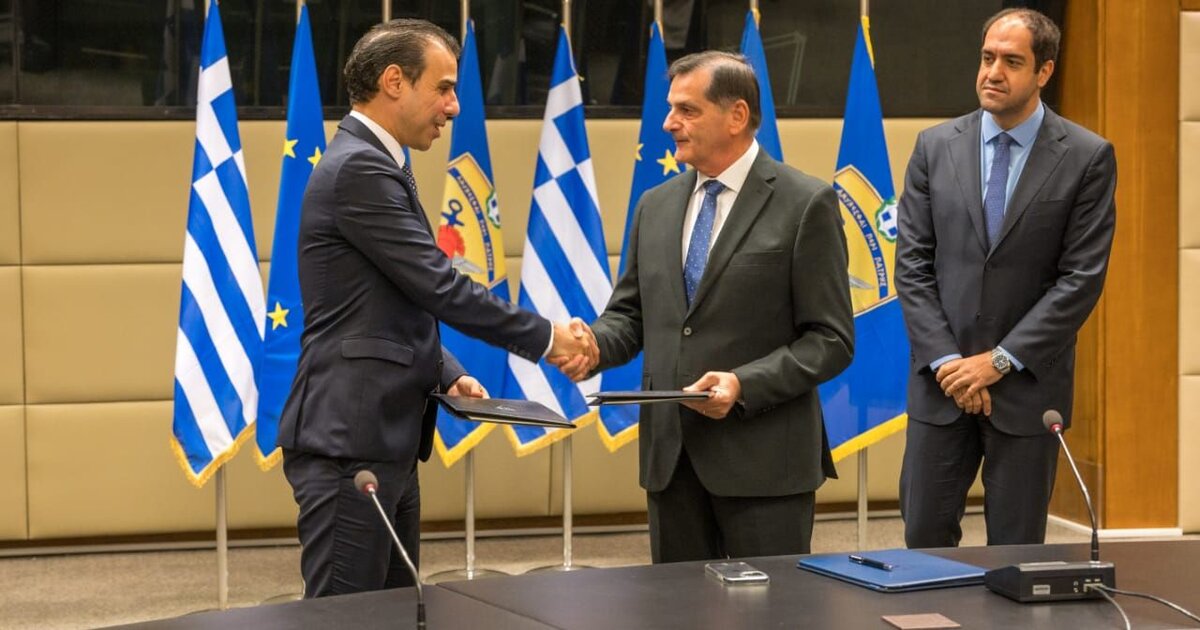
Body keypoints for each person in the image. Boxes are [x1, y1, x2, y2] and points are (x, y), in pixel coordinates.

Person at [277, 19, 594, 598]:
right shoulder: (360, 169)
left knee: (398, 611)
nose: (454, 106)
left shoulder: (376, 163)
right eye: (443, 88)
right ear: (394, 81)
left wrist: (449, 371)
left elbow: (390, 302)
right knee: (346, 619)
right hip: (351, 442)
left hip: (380, 439)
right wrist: (549, 338)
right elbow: (439, 286)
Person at [564, 51, 854, 563]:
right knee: (677, 604)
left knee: (768, 605)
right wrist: (592, 345)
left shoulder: (806, 203)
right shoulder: (655, 205)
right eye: (670, 108)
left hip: (765, 465)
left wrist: (743, 384)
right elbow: (630, 316)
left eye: (687, 110)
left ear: (736, 115)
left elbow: (830, 340)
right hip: (671, 463)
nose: (668, 123)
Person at [894, 8, 1117, 548]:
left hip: (1026, 390)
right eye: (987, 57)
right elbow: (913, 265)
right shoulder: (934, 146)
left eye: (1012, 62)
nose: (993, 72)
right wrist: (951, 364)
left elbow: (1080, 279)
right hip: (941, 386)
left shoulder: (1087, 156)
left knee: (1016, 554)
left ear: (1044, 71)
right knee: (924, 541)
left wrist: (997, 362)